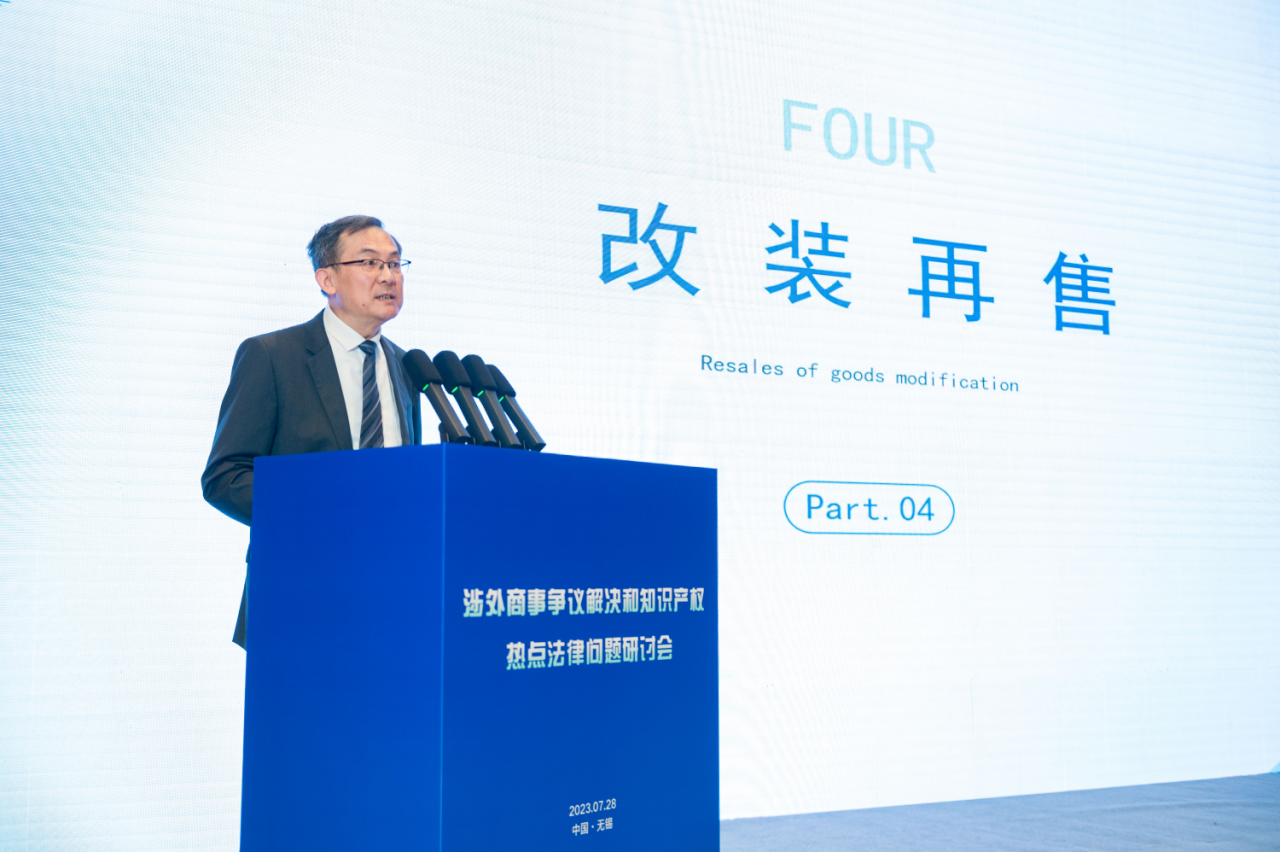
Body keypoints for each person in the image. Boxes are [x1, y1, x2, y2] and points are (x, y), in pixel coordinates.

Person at [202, 215, 422, 648]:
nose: (388, 276)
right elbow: (225, 477)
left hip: (392, 597)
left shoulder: (408, 367)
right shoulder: (272, 356)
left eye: (395, 264)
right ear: (327, 279)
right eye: (370, 263)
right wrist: (323, 515)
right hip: (298, 594)